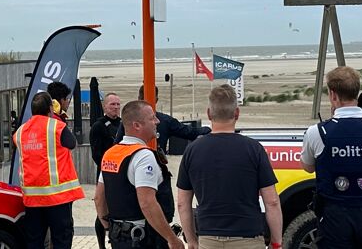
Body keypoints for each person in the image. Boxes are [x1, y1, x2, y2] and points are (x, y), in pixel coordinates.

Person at [177, 85, 283, 249]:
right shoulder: (253, 149)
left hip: (208, 238)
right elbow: (272, 202)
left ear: (209, 113)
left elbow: (183, 204)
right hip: (248, 238)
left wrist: (191, 240)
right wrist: (276, 243)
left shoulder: (192, 150)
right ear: (237, 113)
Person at [300, 66, 362, 249]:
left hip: (334, 218)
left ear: (333, 95)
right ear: (357, 92)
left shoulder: (317, 132)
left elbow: (307, 166)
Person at [94, 100, 184, 249]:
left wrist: (110, 228)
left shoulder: (111, 153)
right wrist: (172, 239)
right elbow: (147, 204)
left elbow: (98, 198)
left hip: (119, 238)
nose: (157, 121)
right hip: (143, 239)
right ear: (137, 125)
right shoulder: (143, 156)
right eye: (152, 118)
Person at [15, 91, 84, 249]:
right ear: (50, 109)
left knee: (34, 241)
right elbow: (72, 143)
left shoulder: (20, 131)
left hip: (32, 199)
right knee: (61, 239)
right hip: (57, 198)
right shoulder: (56, 126)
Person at [116, 85, 211, 153]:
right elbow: (190, 132)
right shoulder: (165, 120)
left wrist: (210, 129)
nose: (156, 122)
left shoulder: (165, 121)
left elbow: (190, 132)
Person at [90, 93, 123, 249]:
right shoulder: (98, 126)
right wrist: (109, 167)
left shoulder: (123, 124)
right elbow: (96, 155)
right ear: (105, 106)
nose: (116, 107)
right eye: (112, 104)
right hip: (105, 174)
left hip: (122, 174)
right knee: (101, 211)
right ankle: (101, 245)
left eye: (118, 104)